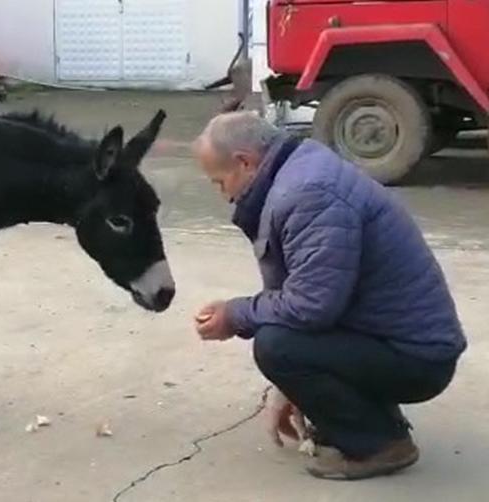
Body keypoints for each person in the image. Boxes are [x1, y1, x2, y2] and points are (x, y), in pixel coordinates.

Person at [191, 111, 466, 480]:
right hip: (396, 339)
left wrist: (235, 314)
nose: (223, 195)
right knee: (283, 339)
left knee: (275, 345)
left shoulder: (309, 193)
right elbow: (313, 292)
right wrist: (294, 388)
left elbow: (310, 307)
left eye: (219, 181)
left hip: (418, 359)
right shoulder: (300, 168)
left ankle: (381, 445)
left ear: (244, 162)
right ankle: (376, 423)